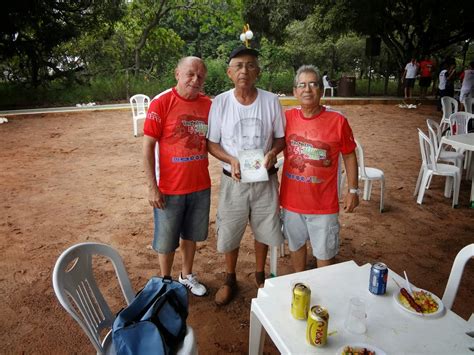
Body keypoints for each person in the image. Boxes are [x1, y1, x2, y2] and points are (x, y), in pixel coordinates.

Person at [207, 46, 285, 305]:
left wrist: (273, 152)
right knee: (231, 230)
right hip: (234, 180)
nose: (244, 70)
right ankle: (230, 278)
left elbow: (280, 138)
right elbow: (212, 143)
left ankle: (261, 276)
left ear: (258, 72)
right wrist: (231, 160)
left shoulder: (271, 101)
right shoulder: (220, 102)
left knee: (264, 228)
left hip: (265, 179)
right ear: (229, 72)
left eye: (250, 65)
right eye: (238, 65)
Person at [280, 65, 359, 272]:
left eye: (313, 84)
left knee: (324, 255)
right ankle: (300, 281)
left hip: (324, 204)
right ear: (295, 91)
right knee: (296, 247)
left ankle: (324, 293)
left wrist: (353, 190)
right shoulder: (286, 119)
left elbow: (349, 155)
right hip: (292, 202)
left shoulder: (338, 121)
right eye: (302, 85)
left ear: (321, 90)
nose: (307, 89)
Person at [143, 56, 211, 297]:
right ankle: (165, 281)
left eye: (200, 76)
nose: (195, 79)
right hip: (169, 188)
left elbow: (212, 143)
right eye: (190, 74)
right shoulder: (161, 102)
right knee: (166, 239)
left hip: (200, 185)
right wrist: (153, 187)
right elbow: (148, 146)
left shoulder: (208, 105)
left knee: (191, 235)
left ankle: (186, 275)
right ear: (177, 74)